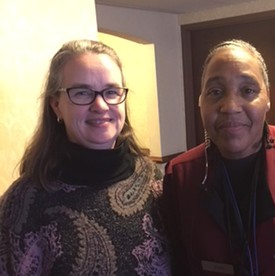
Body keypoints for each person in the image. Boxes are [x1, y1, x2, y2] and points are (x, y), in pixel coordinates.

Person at [161, 39, 275, 275]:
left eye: (248, 91)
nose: (230, 106)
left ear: (267, 98)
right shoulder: (178, 176)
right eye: (215, 92)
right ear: (200, 101)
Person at [0, 39, 170, 275]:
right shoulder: (22, 203)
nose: (100, 105)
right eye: (82, 92)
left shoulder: (152, 178)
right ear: (56, 105)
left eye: (111, 91)